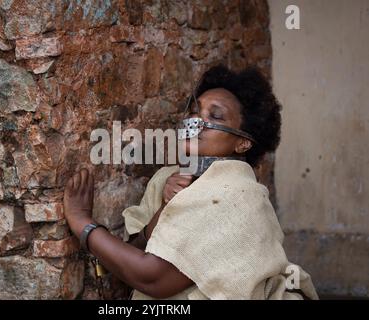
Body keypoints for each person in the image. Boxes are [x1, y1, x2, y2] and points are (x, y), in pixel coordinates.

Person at [63, 64, 318, 300]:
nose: (197, 122)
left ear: (243, 142)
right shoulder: (167, 178)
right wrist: (166, 206)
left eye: (215, 116)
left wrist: (82, 222)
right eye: (195, 112)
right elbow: (136, 252)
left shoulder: (239, 195)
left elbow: (152, 276)